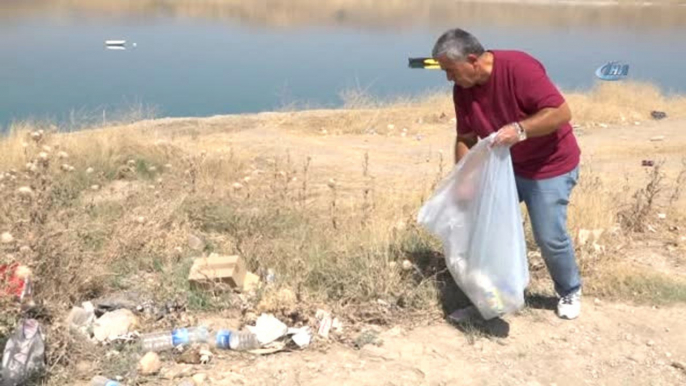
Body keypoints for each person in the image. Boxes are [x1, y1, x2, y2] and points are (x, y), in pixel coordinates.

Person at [432, 28, 582, 319]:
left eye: (450, 70)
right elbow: (465, 137)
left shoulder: (519, 67)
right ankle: (492, 298)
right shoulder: (462, 91)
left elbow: (561, 112)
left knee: (549, 236)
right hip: (504, 170)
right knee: (484, 232)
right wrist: (465, 179)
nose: (449, 78)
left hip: (548, 166)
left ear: (473, 60)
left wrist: (521, 129)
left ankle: (569, 290)